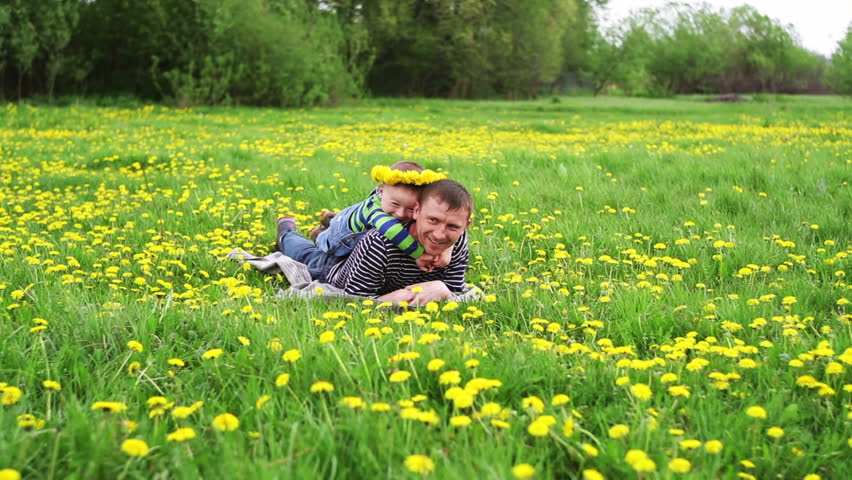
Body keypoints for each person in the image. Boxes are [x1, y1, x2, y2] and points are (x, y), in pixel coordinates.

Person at [279, 179, 473, 305]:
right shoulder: (380, 242)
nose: (440, 235)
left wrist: (442, 289)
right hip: (335, 268)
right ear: (417, 211)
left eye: (453, 227)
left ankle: (328, 226)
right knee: (306, 255)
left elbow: (455, 291)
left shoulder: (455, 242)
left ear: (465, 226)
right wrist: (394, 300)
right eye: (433, 220)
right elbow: (355, 300)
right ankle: (287, 231)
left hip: (363, 257)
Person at [277, 161, 448, 279]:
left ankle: (329, 222)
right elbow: (392, 230)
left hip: (351, 219)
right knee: (313, 259)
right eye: (395, 204)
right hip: (340, 242)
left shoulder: (392, 201)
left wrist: (447, 249)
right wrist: (420, 254)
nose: (401, 213)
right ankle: (286, 232)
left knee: (347, 222)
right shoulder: (378, 211)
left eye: (411, 209)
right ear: (380, 191)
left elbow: (451, 213)